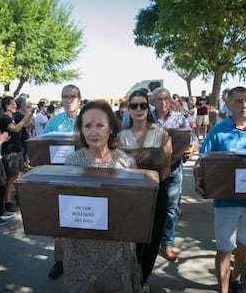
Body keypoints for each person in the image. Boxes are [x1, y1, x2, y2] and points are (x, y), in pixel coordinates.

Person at [194, 86, 246, 293]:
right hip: (225, 201)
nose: (244, 105)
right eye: (238, 101)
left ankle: (236, 279)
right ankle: (223, 290)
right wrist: (198, 180)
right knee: (224, 249)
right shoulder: (218, 131)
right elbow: (201, 162)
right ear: (228, 105)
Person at [63, 100, 142, 292]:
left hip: (116, 245)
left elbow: (135, 205)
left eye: (100, 125)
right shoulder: (72, 162)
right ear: (81, 130)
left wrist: (129, 231)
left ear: (112, 128)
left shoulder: (126, 162)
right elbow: (65, 203)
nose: (93, 132)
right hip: (80, 246)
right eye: (88, 125)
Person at [118, 90, 171, 292]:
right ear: (128, 109)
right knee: (130, 240)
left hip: (155, 194)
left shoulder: (160, 133)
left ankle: (143, 278)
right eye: (134, 105)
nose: (138, 109)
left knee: (151, 240)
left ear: (148, 107)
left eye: (142, 105)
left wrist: (152, 187)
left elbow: (166, 166)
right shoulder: (120, 136)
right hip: (128, 196)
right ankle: (129, 276)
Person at [150, 87, 198, 263]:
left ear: (170, 101)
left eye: (166, 99)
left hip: (173, 168)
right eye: (159, 99)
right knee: (152, 207)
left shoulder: (179, 118)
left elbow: (192, 137)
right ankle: (150, 241)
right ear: (153, 101)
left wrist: (192, 147)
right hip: (151, 169)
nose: (163, 102)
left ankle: (167, 243)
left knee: (170, 208)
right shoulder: (147, 117)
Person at [43, 84, 82, 279]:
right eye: (65, 96)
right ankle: (61, 260)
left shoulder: (87, 119)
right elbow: (42, 146)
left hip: (84, 176)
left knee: (83, 215)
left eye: (73, 96)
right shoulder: (54, 121)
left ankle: (83, 259)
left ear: (79, 99)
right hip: (60, 176)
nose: (69, 100)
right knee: (60, 218)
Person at [0, 96, 33, 213]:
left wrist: (29, 114)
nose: (15, 106)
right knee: (11, 177)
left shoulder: (12, 117)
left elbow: (25, 125)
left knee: (19, 173)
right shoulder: (4, 119)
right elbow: (15, 129)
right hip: (10, 152)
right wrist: (24, 119)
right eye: (13, 104)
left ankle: (17, 196)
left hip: (17, 149)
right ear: (7, 106)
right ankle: (7, 201)